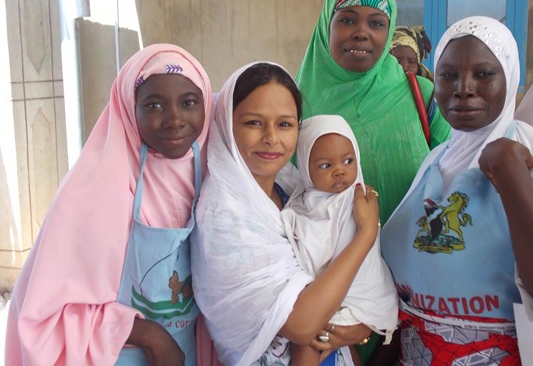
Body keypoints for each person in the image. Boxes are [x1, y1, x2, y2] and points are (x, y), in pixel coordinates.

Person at [5, 43, 212, 365]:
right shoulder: (94, 188)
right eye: (155, 105)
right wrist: (149, 335)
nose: (175, 119)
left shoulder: (213, 171)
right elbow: (47, 314)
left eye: (188, 102)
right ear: (130, 109)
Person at [294, 0, 451, 362]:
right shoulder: (296, 110)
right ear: (326, 26)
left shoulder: (424, 96)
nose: (361, 33)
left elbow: (457, 176)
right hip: (334, 300)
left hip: (423, 291)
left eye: (376, 23)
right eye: (347, 19)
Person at [191, 62, 380, 365]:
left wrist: (360, 325)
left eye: (285, 124)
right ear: (227, 123)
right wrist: (365, 236)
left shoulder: (289, 186)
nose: (271, 138)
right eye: (254, 123)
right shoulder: (225, 216)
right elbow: (301, 324)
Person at [380, 15, 533, 364]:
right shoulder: (436, 160)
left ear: (509, 76)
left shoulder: (523, 154)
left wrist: (511, 176)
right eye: (448, 75)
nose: (463, 87)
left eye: (483, 74)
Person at [282, 114, 398, 366]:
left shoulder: (357, 201)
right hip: (324, 299)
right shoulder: (302, 203)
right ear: (305, 167)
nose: (340, 171)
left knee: (307, 342)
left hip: (356, 298)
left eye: (348, 160)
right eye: (326, 165)